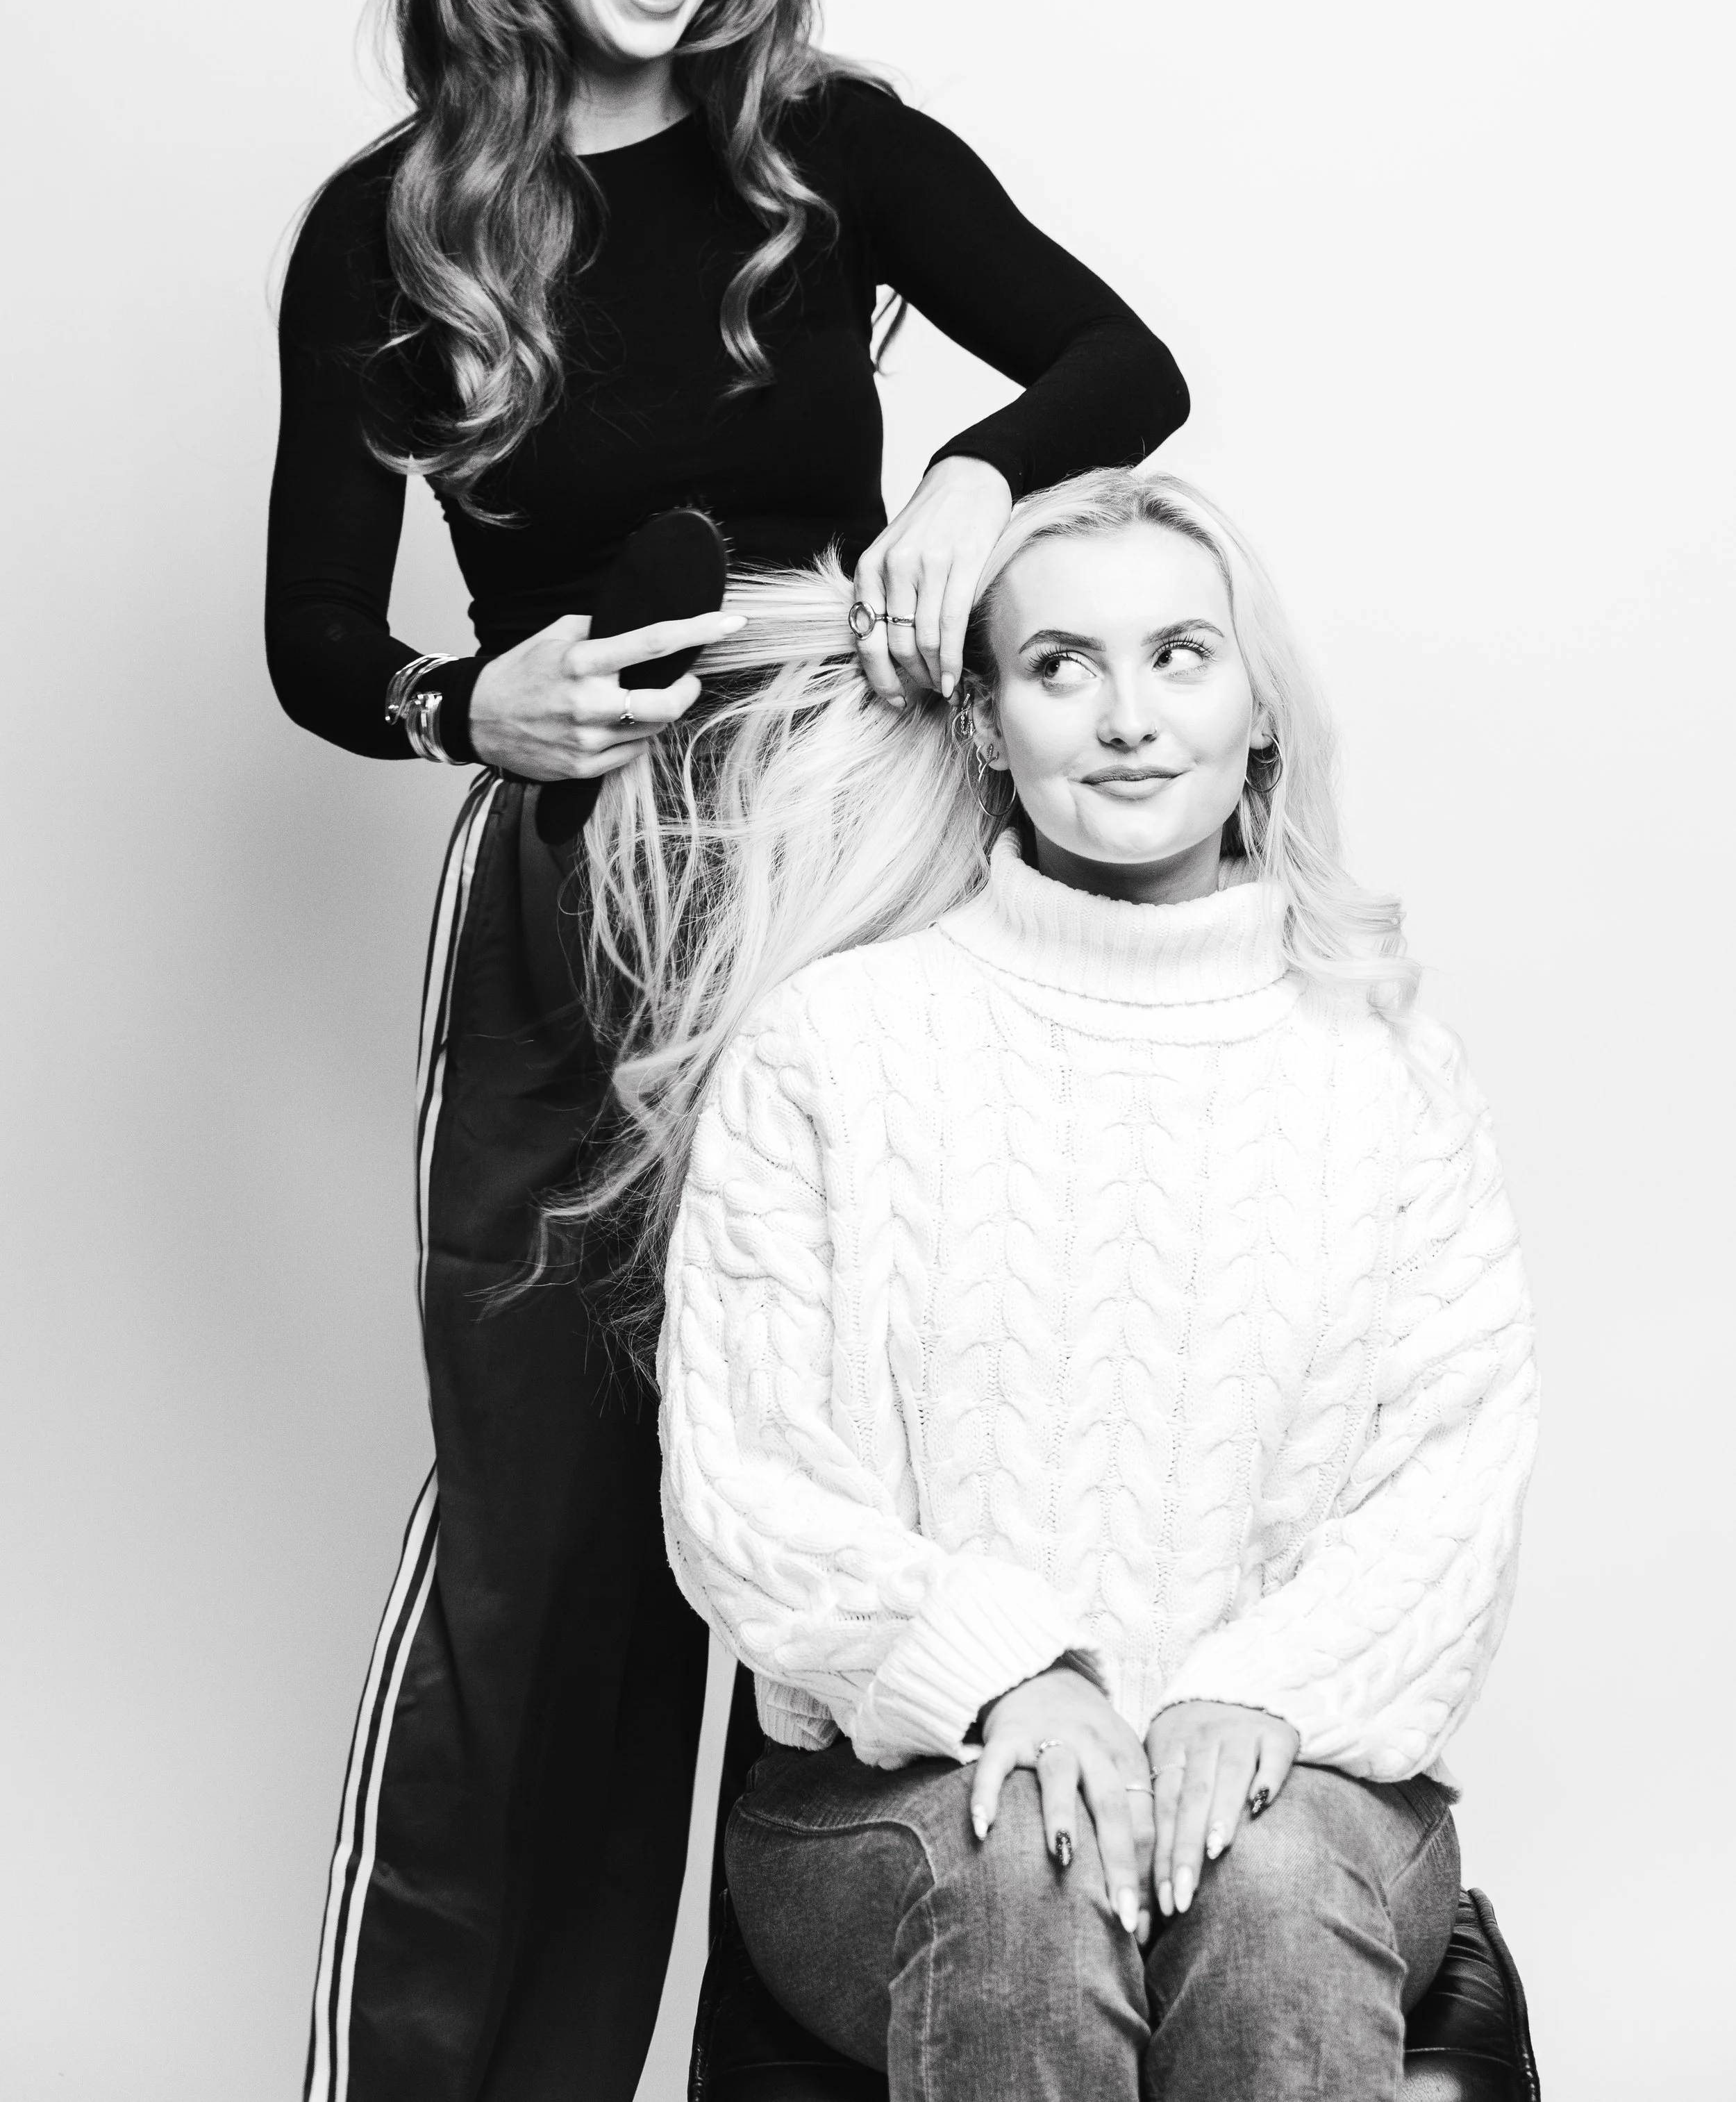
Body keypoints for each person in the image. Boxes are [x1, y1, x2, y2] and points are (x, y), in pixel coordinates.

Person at [267, 0, 1187, 2102]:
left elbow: (1126, 368)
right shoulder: (391, 229)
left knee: (874, 1530)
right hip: (586, 885)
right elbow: (313, 644)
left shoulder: (830, 146)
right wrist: (474, 706)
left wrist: (982, 481)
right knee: (551, 1565)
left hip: (850, 856)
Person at [558, 469, 1537, 2101]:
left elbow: (1452, 1479)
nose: (1126, 717)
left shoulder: (1383, 1071)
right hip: (900, 1802)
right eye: (1059, 665)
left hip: (1303, 1775)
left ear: (1256, 715)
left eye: (1179, 656)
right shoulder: (830, 1049)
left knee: (1276, 1875)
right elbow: (744, 1484)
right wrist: (1015, 1675)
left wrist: (1252, 1693)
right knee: (1035, 1868)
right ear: (987, 727)